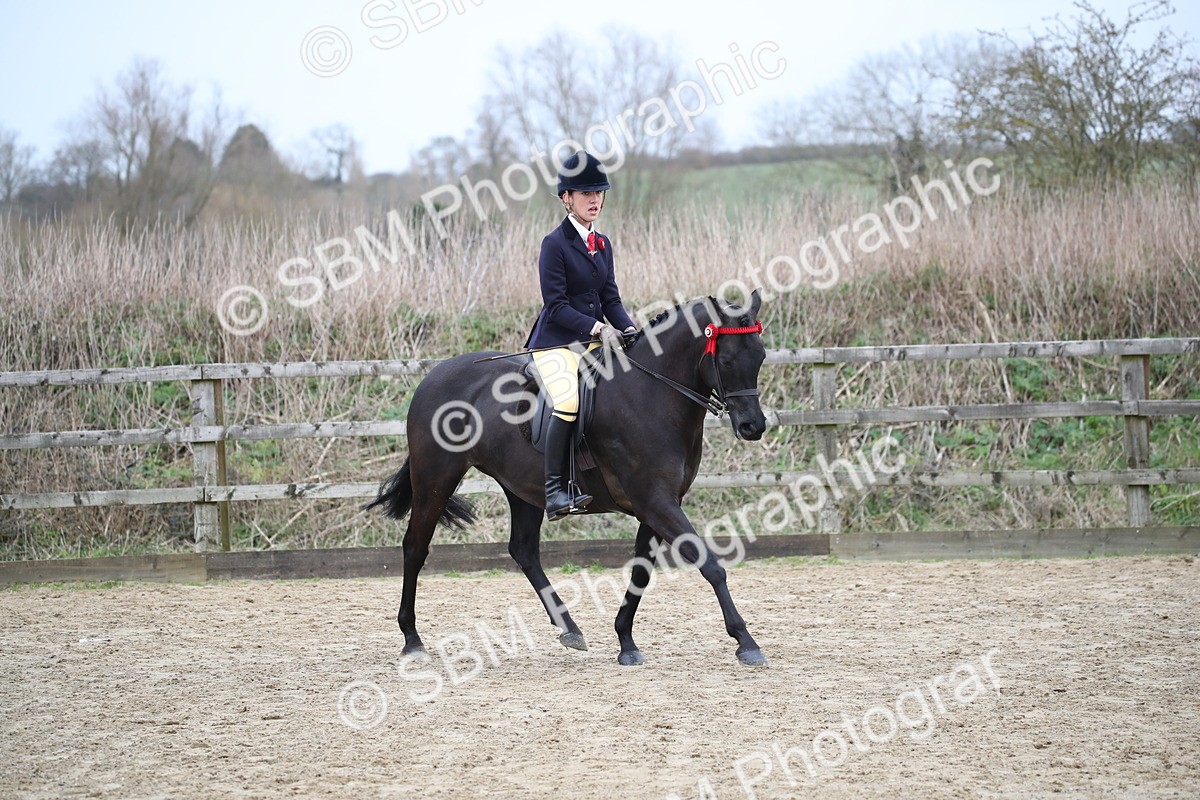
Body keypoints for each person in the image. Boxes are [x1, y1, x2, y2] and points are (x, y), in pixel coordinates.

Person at [523, 151, 637, 521]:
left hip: (592, 341)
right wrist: (599, 328)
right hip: (555, 343)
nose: (594, 200)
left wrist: (630, 328)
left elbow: (610, 299)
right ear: (566, 198)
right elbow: (555, 306)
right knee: (568, 402)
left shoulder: (602, 244)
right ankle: (555, 491)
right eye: (585, 193)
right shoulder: (553, 245)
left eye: (599, 192)